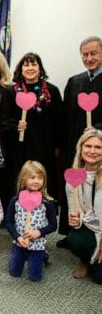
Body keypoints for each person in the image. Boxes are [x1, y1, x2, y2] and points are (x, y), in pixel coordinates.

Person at [0, 52, 63, 201]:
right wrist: (16, 126)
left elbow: (59, 121)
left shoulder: (51, 92)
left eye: (34, 64)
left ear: (40, 68)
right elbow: (4, 121)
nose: (30, 68)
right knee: (20, 178)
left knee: (43, 178)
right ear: (20, 69)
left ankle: (46, 214)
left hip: (44, 147)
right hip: (19, 148)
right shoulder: (11, 92)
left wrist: (58, 147)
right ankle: (19, 214)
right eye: (26, 65)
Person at [58, 37, 102, 246]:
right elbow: (65, 116)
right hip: (76, 147)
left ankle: (96, 234)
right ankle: (71, 232)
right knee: (74, 186)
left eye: (94, 53)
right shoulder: (75, 81)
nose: (89, 58)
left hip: (98, 148)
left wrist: (97, 130)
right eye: (85, 54)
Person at [5, 160, 57, 282]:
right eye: (32, 177)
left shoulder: (47, 202)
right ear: (24, 179)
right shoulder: (15, 200)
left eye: (40, 178)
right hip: (19, 243)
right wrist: (17, 237)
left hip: (38, 245)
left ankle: (43, 255)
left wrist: (39, 232)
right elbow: (8, 222)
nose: (36, 181)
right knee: (14, 273)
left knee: (35, 277)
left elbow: (53, 225)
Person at [66, 129, 102, 284]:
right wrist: (75, 219)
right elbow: (74, 210)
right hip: (90, 226)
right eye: (88, 146)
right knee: (75, 239)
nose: (92, 151)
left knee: (99, 279)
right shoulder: (73, 177)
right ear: (80, 149)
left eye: (98, 147)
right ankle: (86, 259)